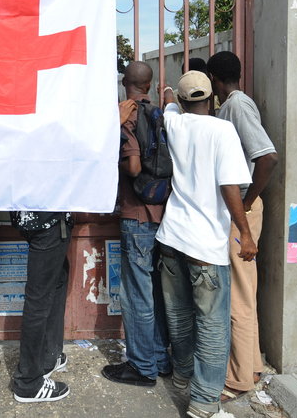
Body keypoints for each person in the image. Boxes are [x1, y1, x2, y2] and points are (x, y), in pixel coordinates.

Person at [155, 71, 256, 418]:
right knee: (212, 326)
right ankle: (203, 403)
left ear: (183, 103)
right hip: (205, 247)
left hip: (171, 238)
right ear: (212, 99)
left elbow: (167, 103)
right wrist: (246, 232)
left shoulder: (175, 123)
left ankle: (182, 377)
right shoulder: (221, 130)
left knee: (179, 315)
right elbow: (230, 186)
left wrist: (168, 93)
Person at [207, 51, 278, 400]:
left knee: (238, 295)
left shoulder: (235, 106)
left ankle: (238, 380)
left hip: (241, 213)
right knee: (242, 291)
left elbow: (267, 156)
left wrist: (247, 204)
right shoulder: (236, 104)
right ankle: (249, 367)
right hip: (240, 212)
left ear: (215, 81)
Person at [102, 61, 171, 387]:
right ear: (150, 84)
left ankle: (142, 367)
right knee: (156, 292)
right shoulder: (162, 114)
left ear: (125, 82)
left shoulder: (126, 115)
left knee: (137, 295)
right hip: (164, 215)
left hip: (136, 216)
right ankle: (159, 358)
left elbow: (131, 167)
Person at [11, 210, 72, 403]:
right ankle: (28, 382)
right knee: (39, 298)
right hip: (49, 220)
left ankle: (48, 358)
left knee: (57, 282)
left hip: (37, 217)